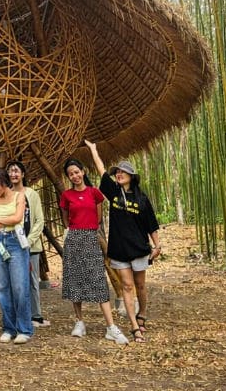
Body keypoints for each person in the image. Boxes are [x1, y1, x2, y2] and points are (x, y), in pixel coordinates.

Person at [84, 140, 162, 343]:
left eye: (122, 172)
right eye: (117, 172)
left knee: (140, 286)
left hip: (139, 249)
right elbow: (101, 170)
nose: (118, 174)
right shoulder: (114, 193)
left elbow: (151, 224)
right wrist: (94, 150)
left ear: (131, 177)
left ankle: (142, 313)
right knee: (127, 286)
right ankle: (134, 326)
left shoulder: (142, 199)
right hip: (119, 249)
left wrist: (157, 245)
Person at [59, 158, 128, 344]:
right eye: (70, 174)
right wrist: (74, 232)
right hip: (74, 239)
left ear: (83, 171)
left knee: (98, 280)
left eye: (77, 172)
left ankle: (111, 327)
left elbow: (97, 218)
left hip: (91, 237)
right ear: (68, 177)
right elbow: (66, 219)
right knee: (75, 280)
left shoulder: (94, 193)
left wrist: (88, 231)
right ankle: (79, 321)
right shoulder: (66, 196)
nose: (75, 176)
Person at [0, 168, 32, 344]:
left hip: (16, 242)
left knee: (19, 286)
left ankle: (24, 329)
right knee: (2, 287)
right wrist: (2, 220)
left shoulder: (20, 196)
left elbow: (17, 218)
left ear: (4, 183)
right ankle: (9, 328)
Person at [6, 160, 49, 328]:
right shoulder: (7, 194)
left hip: (31, 246)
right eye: (11, 171)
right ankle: (19, 316)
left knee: (32, 282)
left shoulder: (32, 194)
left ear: (23, 174)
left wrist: (28, 241)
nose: (14, 174)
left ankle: (36, 315)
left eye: (17, 171)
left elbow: (39, 220)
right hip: (12, 245)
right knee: (15, 282)